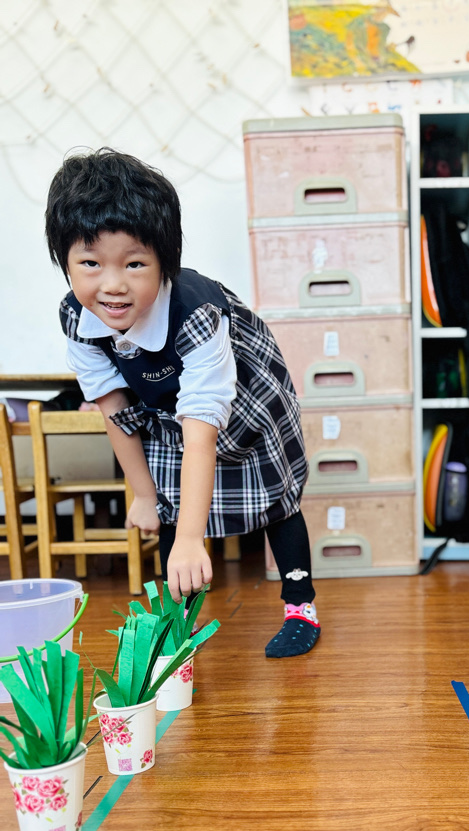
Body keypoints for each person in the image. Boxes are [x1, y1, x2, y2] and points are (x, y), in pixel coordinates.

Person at [45, 149, 320, 659]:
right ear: (65, 262)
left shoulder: (196, 312)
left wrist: (196, 539)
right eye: (90, 263)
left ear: (163, 264)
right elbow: (113, 408)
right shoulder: (78, 320)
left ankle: (300, 607)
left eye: (134, 264)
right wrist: (144, 494)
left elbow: (202, 431)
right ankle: (178, 623)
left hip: (249, 398)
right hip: (168, 408)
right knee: (170, 503)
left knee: (276, 499)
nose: (113, 285)